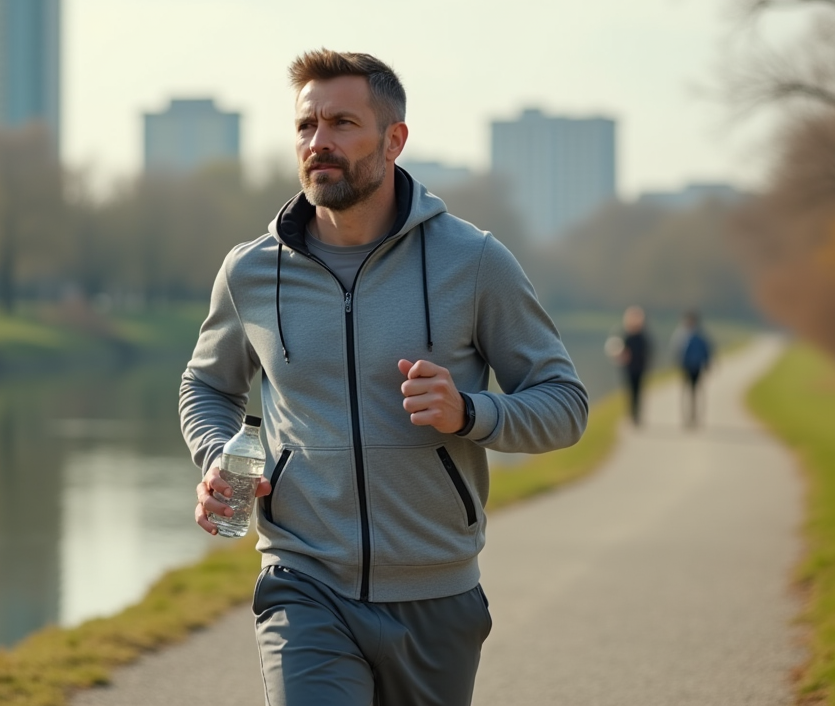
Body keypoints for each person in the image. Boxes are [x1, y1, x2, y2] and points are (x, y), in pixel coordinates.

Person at [179, 49, 589, 706]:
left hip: (436, 592)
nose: (319, 143)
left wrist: (470, 413)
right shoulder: (252, 272)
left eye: (342, 123)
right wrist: (215, 458)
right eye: (306, 126)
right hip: (303, 580)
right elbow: (207, 384)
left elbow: (565, 405)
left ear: (394, 139)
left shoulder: (474, 261)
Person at [670, 310, 714, 427]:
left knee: (696, 392)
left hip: (697, 367)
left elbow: (706, 350)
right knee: (686, 392)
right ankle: (686, 417)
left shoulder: (700, 335)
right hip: (685, 367)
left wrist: (707, 364)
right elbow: (676, 351)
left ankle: (695, 416)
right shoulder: (681, 335)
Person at [616, 306, 651, 426]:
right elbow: (621, 352)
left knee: (638, 392)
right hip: (630, 368)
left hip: (640, 368)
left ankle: (637, 415)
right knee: (631, 392)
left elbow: (648, 352)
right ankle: (632, 414)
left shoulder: (642, 337)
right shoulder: (627, 336)